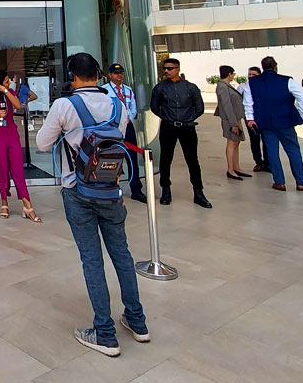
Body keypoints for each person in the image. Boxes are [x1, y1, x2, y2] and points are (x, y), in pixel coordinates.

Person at [35, 52, 149, 357]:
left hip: (78, 191)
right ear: (99, 75)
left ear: (72, 77)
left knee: (92, 260)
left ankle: (105, 332)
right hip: (111, 190)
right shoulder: (117, 105)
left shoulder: (64, 105)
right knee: (122, 255)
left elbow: (43, 144)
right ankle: (137, 322)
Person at [243, 56, 303, 193]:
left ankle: (279, 182)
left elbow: (248, 102)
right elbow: (302, 99)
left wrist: (250, 119)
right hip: (285, 121)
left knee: (272, 152)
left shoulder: (252, 83)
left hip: (266, 123)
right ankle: (302, 182)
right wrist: (300, 115)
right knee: (293, 150)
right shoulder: (287, 80)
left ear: (262, 67)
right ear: (275, 66)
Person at [148, 58, 210, 208]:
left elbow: (199, 108)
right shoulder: (160, 88)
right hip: (168, 127)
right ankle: (166, 190)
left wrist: (187, 118)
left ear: (178, 69)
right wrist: (168, 116)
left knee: (192, 160)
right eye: (165, 68)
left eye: (170, 68)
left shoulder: (190, 88)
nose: (167, 71)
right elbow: (154, 107)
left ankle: (198, 192)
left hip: (187, 127)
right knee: (165, 159)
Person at [0, 70, 40, 222]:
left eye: (8, 82)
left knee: (17, 170)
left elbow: (18, 105)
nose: (9, 84)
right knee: (2, 170)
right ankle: (4, 202)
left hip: (11, 135)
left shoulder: (10, 93)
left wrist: (6, 90)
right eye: (6, 82)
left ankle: (27, 205)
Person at [103, 63, 147, 203]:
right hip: (112, 128)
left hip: (127, 127)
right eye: (116, 73)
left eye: (121, 72)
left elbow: (133, 108)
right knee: (111, 158)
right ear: (110, 75)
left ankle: (136, 189)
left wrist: (128, 117)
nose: (119, 75)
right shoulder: (104, 91)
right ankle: (110, 189)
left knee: (132, 157)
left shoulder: (128, 90)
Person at [214, 66, 250, 180]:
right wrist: (233, 124)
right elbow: (226, 105)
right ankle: (230, 169)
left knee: (236, 142)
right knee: (231, 142)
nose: (233, 76)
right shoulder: (222, 86)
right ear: (229, 74)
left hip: (234, 118)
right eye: (233, 74)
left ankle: (236, 167)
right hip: (230, 119)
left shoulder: (226, 86)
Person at [239, 67, 269, 172]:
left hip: (263, 117)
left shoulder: (264, 86)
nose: (251, 76)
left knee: (266, 141)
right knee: (254, 141)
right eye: (249, 74)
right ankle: (258, 162)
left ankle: (267, 163)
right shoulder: (243, 87)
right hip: (250, 119)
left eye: (254, 74)